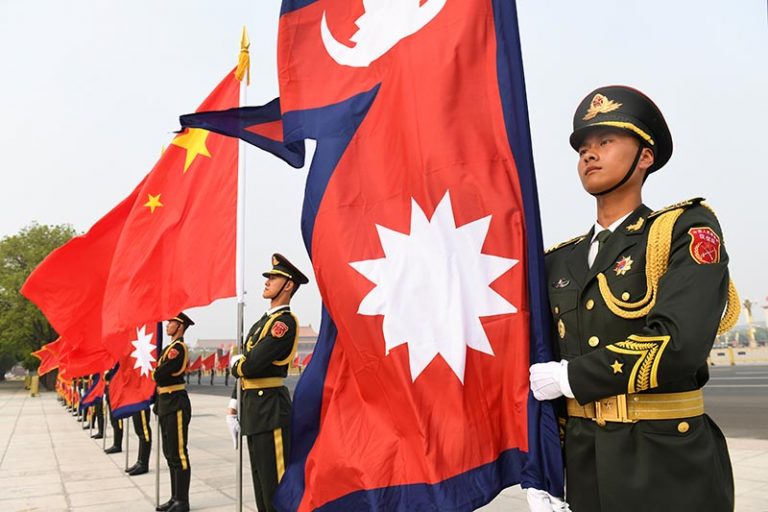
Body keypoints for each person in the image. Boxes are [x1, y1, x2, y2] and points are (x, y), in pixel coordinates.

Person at [529, 86, 738, 511]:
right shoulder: (558, 261)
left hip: (667, 464)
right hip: (584, 466)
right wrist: (542, 471)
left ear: (645, 157)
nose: (589, 155)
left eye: (605, 142)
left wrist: (573, 378)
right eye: (583, 147)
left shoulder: (684, 230)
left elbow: (680, 342)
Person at [230, 253, 308, 512]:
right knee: (261, 488)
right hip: (254, 410)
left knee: (276, 490)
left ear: (288, 285)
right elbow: (247, 366)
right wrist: (233, 405)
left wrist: (235, 364)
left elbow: (251, 365)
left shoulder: (284, 323)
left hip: (270, 411)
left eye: (273, 277)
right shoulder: (261, 323)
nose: (267, 281)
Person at [154, 312, 194, 512]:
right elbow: (160, 375)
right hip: (165, 401)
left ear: (180, 326)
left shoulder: (178, 348)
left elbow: (161, 373)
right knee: (169, 452)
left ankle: (182, 500)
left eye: (171, 322)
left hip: (175, 402)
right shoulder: (168, 348)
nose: (167, 325)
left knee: (179, 452)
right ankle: (174, 497)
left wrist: (154, 373)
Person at [125, 406, 152, 476]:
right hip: (136, 400)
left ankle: (143, 463)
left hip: (141, 400)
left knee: (144, 431)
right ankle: (139, 461)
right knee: (139, 429)